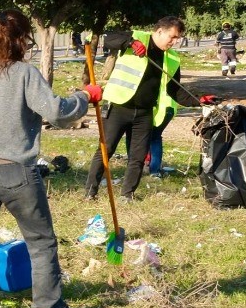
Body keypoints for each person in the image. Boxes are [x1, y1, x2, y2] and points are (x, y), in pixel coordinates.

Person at [0, 10, 94, 308]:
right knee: (41, 243)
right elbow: (56, 112)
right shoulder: (24, 74)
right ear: (21, 40)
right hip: (15, 171)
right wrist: (84, 96)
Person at [87, 16, 212, 199]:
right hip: (120, 106)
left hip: (145, 113)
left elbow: (175, 90)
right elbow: (110, 39)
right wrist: (130, 42)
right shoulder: (138, 37)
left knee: (137, 157)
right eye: (172, 37)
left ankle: (127, 195)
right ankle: (90, 192)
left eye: (177, 38)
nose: (174, 42)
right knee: (106, 150)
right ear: (160, 31)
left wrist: (200, 99)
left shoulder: (172, 59)